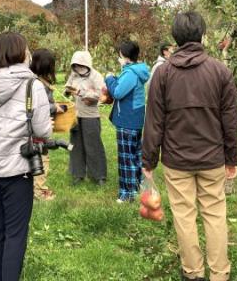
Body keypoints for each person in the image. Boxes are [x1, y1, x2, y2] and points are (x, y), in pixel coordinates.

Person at [142, 10, 237, 281]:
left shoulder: (163, 74)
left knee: (184, 215)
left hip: (177, 160)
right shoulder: (220, 70)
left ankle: (193, 272)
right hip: (212, 158)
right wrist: (232, 158)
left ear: (175, 38)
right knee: (215, 214)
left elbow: (154, 121)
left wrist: (148, 161)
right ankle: (220, 274)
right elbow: (230, 121)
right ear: (202, 34)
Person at [0, 32, 52, 281]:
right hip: (15, 170)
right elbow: (42, 130)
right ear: (20, 53)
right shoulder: (32, 85)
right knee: (15, 233)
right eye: (27, 49)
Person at [105, 40, 150, 203]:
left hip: (127, 121)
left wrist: (109, 78)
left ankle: (127, 194)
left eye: (120, 56)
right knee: (135, 155)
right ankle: (137, 186)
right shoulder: (136, 70)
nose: (119, 58)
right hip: (135, 119)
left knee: (126, 158)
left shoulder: (130, 73)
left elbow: (117, 92)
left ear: (125, 57)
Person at [65, 50, 107, 186]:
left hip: (91, 115)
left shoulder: (96, 76)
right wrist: (68, 90)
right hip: (76, 115)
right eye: (76, 65)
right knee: (75, 145)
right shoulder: (73, 75)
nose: (78, 68)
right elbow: (68, 86)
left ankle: (99, 175)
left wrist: (83, 93)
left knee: (93, 145)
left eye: (81, 65)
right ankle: (78, 173)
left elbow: (102, 94)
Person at [30, 48, 63, 201]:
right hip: (40, 127)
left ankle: (35, 188)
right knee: (43, 157)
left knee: (38, 156)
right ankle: (39, 191)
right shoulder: (38, 83)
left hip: (37, 126)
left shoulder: (38, 80)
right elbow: (38, 106)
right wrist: (54, 107)